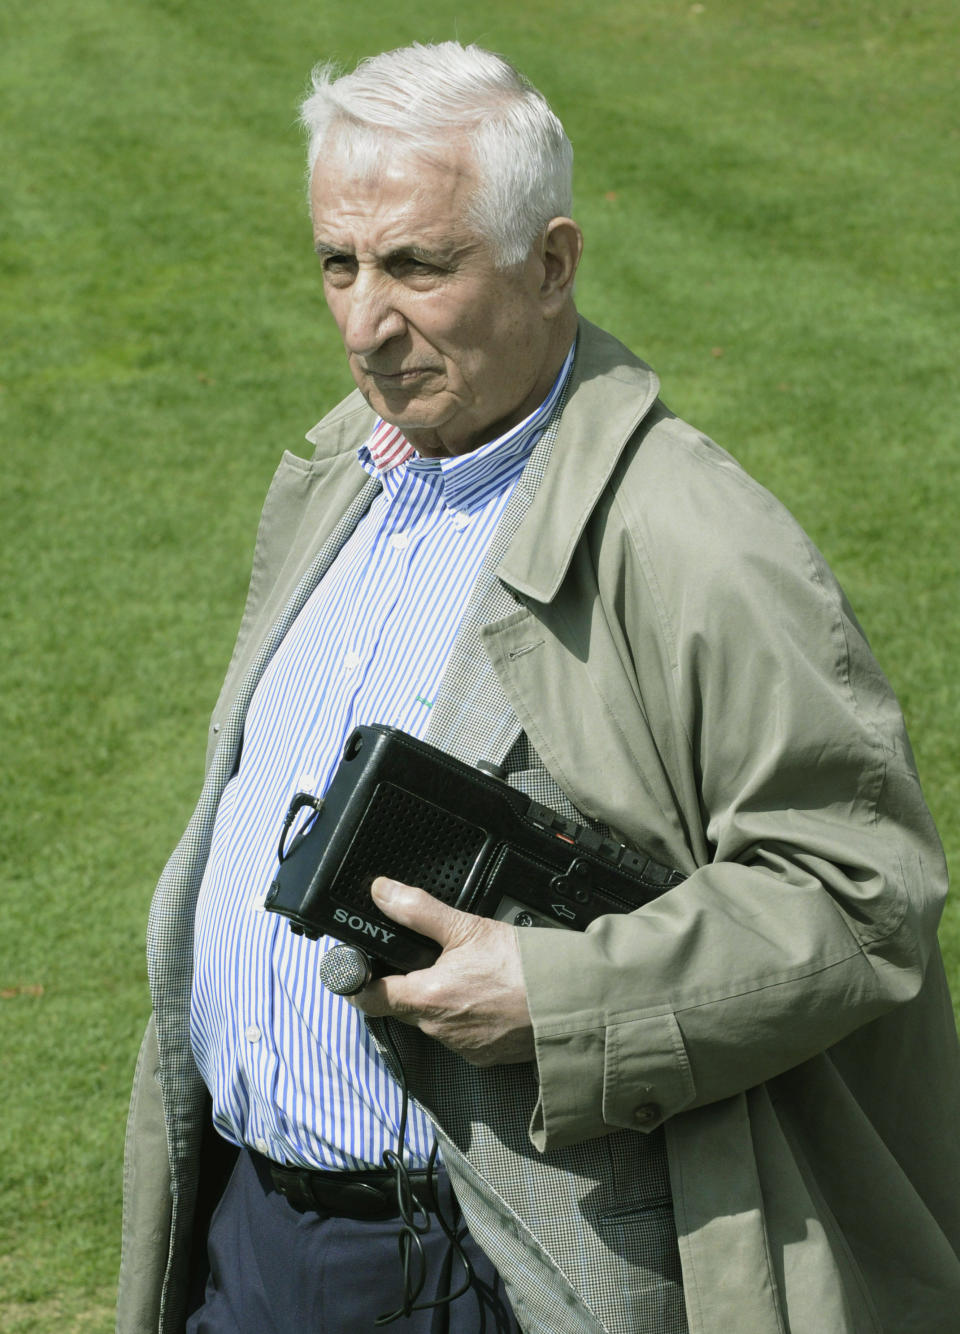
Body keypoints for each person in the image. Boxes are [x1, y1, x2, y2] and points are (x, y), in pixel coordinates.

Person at [118, 40, 960, 1334]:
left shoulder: (697, 541)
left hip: (489, 1263)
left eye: (418, 265)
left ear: (551, 262)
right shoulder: (348, 473)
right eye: (338, 262)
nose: (362, 322)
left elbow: (865, 896)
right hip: (253, 1236)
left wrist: (564, 995)